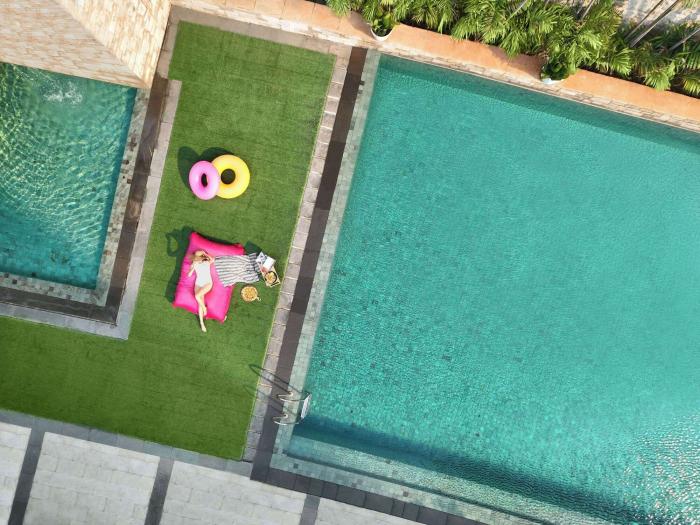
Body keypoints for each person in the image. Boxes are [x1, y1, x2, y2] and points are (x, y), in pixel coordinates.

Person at [187, 250, 214, 332]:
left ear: (202, 256)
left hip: (207, 283)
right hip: (198, 284)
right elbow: (189, 275)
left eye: (199, 256)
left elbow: (213, 260)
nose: (197, 258)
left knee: (197, 296)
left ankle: (204, 308)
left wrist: (205, 253)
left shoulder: (207, 261)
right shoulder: (194, 263)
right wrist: (193, 268)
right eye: (196, 257)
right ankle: (202, 323)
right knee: (200, 302)